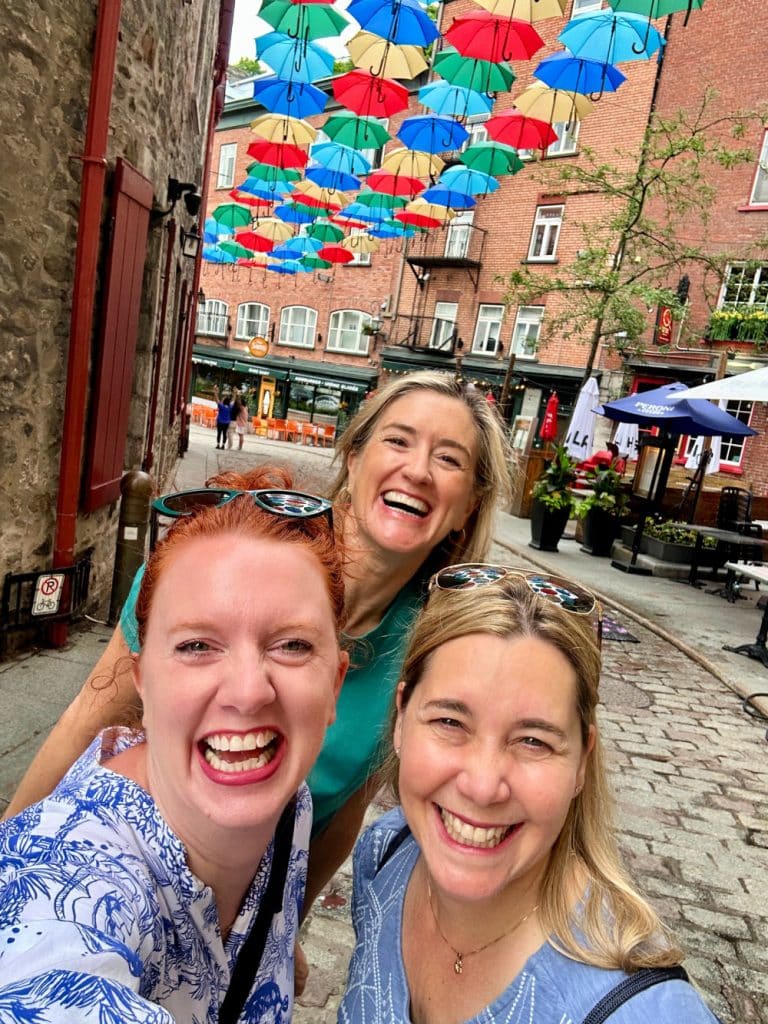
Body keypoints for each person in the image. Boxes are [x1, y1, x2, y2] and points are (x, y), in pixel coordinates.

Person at [4, 371, 514, 989]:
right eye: (398, 441)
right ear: (352, 461)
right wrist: (13, 863)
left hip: (253, 895)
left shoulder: (428, 649)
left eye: (449, 458)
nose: (418, 470)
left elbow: (347, 804)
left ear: (467, 509)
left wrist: (280, 925)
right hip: (135, 866)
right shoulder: (226, 561)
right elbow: (90, 715)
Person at [0, 469, 348, 1021]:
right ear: (141, 680)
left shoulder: (289, 804)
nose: (249, 691)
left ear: (335, 684)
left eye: (292, 645)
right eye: (196, 645)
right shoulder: (68, 878)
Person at [340, 565, 720, 1024]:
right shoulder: (385, 854)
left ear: (582, 760)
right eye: (450, 722)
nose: (482, 786)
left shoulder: (645, 1012)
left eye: (534, 741)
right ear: (401, 719)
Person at [213, 384, 232, 450]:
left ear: (224, 401)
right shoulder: (230, 407)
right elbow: (234, 400)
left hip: (220, 421)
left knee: (219, 433)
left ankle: (218, 444)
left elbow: (217, 400)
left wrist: (215, 392)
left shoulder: (221, 406)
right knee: (224, 434)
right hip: (226, 423)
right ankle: (223, 445)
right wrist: (235, 393)